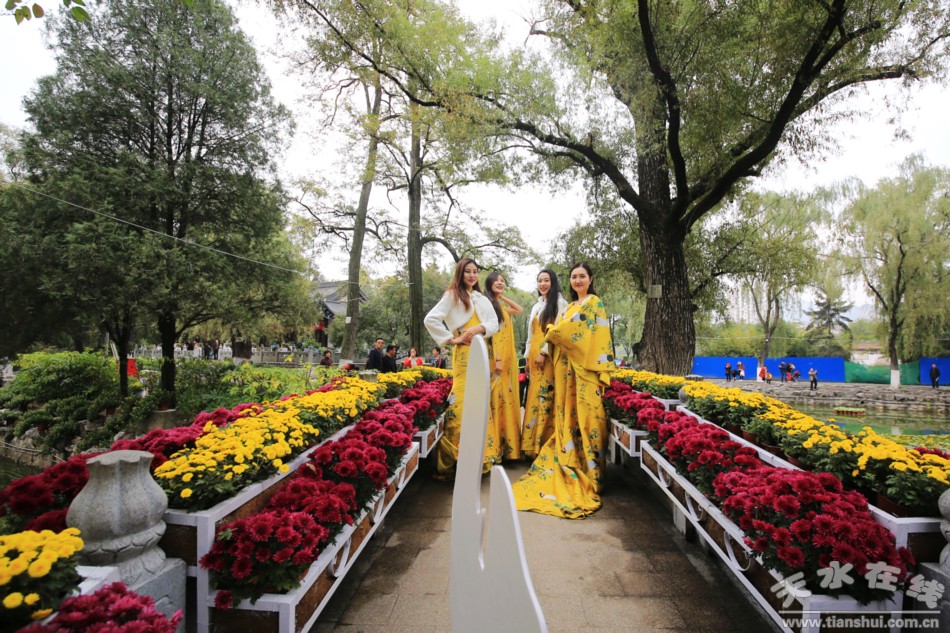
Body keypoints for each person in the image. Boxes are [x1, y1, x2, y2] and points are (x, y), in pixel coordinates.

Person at [513, 263, 614, 518]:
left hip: (586, 371)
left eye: (582, 276)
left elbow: (582, 334)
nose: (578, 280)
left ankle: (592, 473)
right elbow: (561, 333)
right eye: (574, 277)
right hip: (568, 374)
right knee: (569, 416)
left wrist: (553, 332)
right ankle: (571, 458)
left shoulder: (594, 303)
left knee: (589, 417)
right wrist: (553, 335)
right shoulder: (570, 307)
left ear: (590, 279)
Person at [424, 257, 500, 479]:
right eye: (468, 271)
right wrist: (452, 339)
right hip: (464, 356)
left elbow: (494, 324)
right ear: (460, 273)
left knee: (480, 402)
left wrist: (478, 328)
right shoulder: (452, 295)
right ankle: (453, 460)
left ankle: (481, 461)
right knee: (459, 404)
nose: (472, 275)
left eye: (475, 271)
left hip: (482, 353)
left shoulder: (482, 299)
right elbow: (431, 319)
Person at [521, 268, 568, 460]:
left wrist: (543, 352)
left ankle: (544, 443)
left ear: (553, 282)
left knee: (546, 395)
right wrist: (527, 357)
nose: (542, 284)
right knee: (533, 396)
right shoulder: (537, 305)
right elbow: (530, 335)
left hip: (548, 356)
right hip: (534, 357)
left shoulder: (560, 303)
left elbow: (558, 331)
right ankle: (530, 444)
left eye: (546, 280)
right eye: (539, 280)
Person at [483, 271, 524, 468]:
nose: (500, 283)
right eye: (496, 281)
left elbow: (519, 308)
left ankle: (508, 447)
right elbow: (494, 336)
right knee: (497, 400)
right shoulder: (488, 306)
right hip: (497, 360)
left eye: (502, 281)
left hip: (508, 361)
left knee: (507, 400)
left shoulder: (500, 306)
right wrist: (498, 360)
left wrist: (501, 296)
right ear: (488, 284)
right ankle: (496, 447)